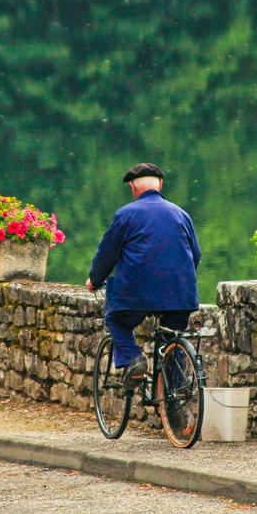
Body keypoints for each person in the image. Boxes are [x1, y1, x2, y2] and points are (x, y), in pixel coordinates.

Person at [86, 163, 202, 390]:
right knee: (172, 337)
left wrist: (94, 280)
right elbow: (195, 255)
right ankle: (175, 399)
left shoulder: (125, 215)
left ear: (133, 187)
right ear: (160, 184)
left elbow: (106, 256)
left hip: (135, 296)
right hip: (180, 295)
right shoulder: (182, 214)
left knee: (116, 320)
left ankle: (133, 360)